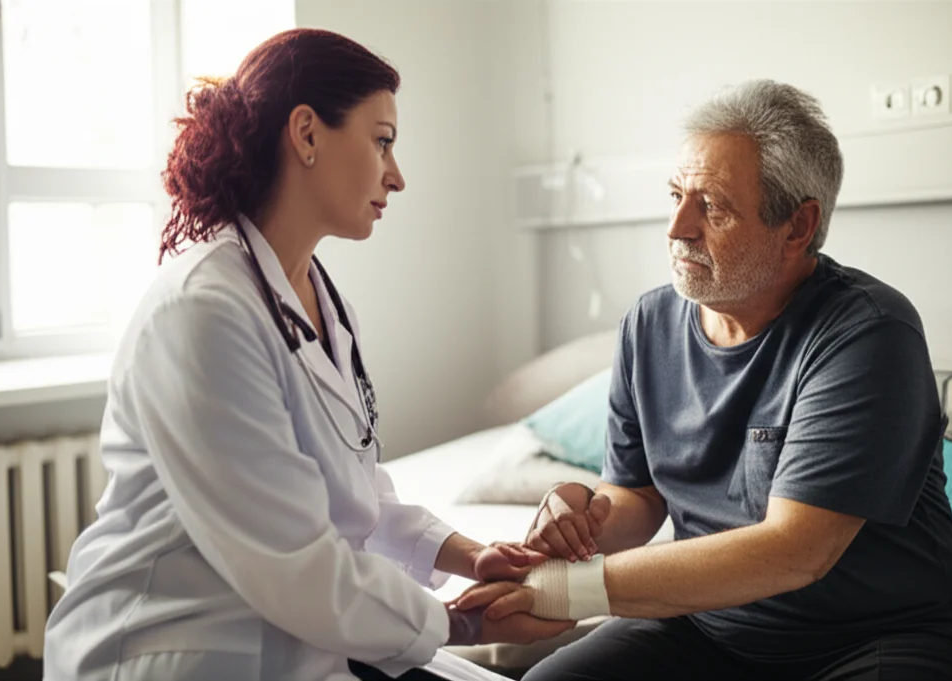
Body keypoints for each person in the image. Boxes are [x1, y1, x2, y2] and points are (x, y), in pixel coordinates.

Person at [42, 28, 573, 681]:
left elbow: (354, 495)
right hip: (175, 645)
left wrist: (474, 555)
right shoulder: (203, 311)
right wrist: (462, 621)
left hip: (295, 640)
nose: (397, 176)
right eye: (382, 141)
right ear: (307, 133)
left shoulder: (314, 295)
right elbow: (290, 558)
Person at [455, 79, 952, 680]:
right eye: (675, 194)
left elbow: (793, 551)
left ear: (797, 227)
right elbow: (639, 495)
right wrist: (583, 521)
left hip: (872, 636)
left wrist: (568, 591)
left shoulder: (868, 333)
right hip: (707, 621)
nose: (676, 228)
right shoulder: (647, 325)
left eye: (711, 206)